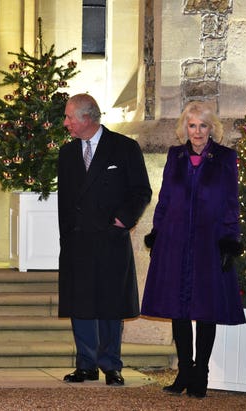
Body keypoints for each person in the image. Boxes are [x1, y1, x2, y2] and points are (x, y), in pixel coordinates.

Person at [141, 100, 245, 398]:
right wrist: (157, 232)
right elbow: (165, 199)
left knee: (206, 308)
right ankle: (184, 371)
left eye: (202, 125)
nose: (197, 132)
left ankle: (201, 372)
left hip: (209, 242)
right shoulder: (175, 156)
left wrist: (230, 240)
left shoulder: (225, 158)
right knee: (179, 309)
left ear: (211, 128)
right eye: (192, 125)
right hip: (174, 240)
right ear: (184, 128)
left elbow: (230, 203)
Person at [57, 93, 152, 386]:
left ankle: (111, 365)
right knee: (81, 304)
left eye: (69, 117)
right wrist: (66, 239)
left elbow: (141, 191)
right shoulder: (67, 153)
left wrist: (123, 220)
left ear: (87, 118)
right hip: (78, 241)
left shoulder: (124, 148)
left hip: (110, 238)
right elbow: (65, 202)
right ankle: (86, 365)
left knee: (111, 304)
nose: (66, 123)